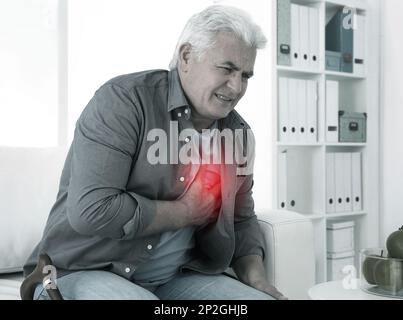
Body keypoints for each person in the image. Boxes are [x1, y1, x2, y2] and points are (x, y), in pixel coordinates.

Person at [24, 5, 287, 300]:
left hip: (175, 279)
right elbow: (91, 210)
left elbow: (241, 218)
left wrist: (257, 280)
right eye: (226, 69)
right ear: (187, 57)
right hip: (79, 271)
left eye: (246, 75)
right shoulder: (124, 102)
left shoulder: (237, 134)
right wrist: (186, 211)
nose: (237, 87)